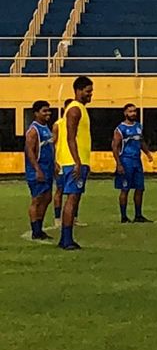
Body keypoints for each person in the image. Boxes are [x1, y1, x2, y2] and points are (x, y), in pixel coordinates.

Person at [56, 75, 94, 251]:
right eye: (88, 91)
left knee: (75, 197)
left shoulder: (80, 109)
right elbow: (70, 137)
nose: (90, 94)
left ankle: (66, 238)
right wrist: (78, 162)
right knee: (72, 198)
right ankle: (66, 239)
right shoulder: (74, 110)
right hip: (73, 162)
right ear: (78, 91)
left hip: (78, 161)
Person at [112, 103, 155, 224]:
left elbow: (141, 141)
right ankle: (124, 216)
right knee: (125, 189)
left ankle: (138, 215)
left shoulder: (138, 127)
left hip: (137, 161)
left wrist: (147, 153)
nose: (133, 113)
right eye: (130, 111)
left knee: (140, 188)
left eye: (134, 111)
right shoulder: (120, 129)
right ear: (125, 113)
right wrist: (119, 164)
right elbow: (115, 146)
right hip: (126, 161)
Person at [23, 100, 56, 242]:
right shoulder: (33, 130)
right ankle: (35, 231)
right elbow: (29, 151)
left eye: (49, 110)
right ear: (36, 113)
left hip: (48, 168)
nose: (48, 113)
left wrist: (54, 163)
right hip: (37, 169)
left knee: (47, 197)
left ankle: (39, 228)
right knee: (37, 199)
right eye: (44, 111)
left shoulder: (46, 128)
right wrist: (37, 169)